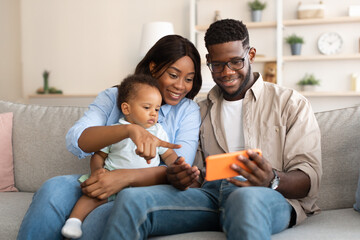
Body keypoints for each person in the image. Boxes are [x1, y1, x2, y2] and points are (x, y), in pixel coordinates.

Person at [101, 19, 322, 240]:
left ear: (251, 55)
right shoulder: (199, 112)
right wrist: (181, 177)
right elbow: (195, 179)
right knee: (132, 200)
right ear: (208, 62)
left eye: (236, 62)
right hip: (209, 196)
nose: (227, 72)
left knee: (243, 200)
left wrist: (271, 178)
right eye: (217, 65)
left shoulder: (290, 103)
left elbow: (308, 181)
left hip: (265, 195)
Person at [17, 34, 202, 240]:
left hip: (146, 189)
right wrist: (126, 133)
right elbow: (77, 139)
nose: (181, 86)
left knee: (108, 214)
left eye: (189, 79)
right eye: (173, 75)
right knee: (52, 188)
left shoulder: (188, 111)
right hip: (104, 176)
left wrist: (123, 178)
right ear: (153, 67)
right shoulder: (114, 97)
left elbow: (176, 169)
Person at [61, 74, 181, 239]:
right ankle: (74, 221)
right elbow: (99, 155)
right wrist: (97, 171)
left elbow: (168, 154)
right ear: (126, 109)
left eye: (157, 109)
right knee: (92, 196)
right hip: (110, 180)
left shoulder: (157, 131)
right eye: (147, 108)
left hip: (144, 186)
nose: (153, 114)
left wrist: (178, 164)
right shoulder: (116, 130)